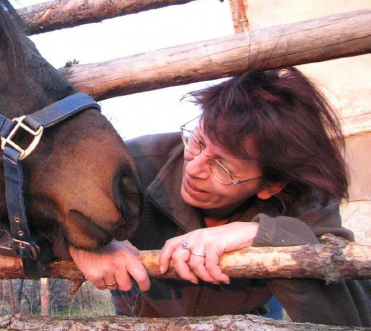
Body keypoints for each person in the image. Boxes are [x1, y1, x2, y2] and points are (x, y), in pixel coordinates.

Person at [69, 67, 371, 326]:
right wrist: (80, 241)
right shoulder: (137, 163)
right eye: (198, 141)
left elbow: (355, 314)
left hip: (247, 320)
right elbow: (39, 200)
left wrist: (263, 234)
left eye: (222, 166)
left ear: (272, 186)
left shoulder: (305, 199)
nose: (195, 167)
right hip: (137, 322)